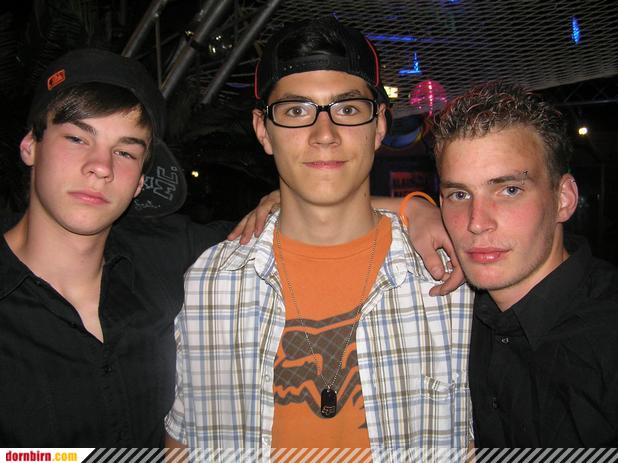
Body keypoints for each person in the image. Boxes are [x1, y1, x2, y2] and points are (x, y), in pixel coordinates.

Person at [0, 47, 460, 447]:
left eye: (125, 151)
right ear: (29, 145)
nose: (100, 166)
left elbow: (313, 210)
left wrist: (415, 209)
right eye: (76, 138)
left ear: (140, 180)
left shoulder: (171, 258)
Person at [165, 16, 474, 453]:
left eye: (348, 109)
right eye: (296, 111)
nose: (324, 134)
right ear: (263, 130)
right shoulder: (210, 284)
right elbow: (183, 443)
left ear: (379, 126)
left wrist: (417, 206)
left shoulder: (453, 275)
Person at [432, 81, 618, 447]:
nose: (477, 222)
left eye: (509, 190)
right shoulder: (456, 312)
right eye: (459, 194)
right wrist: (410, 207)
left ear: (564, 199)